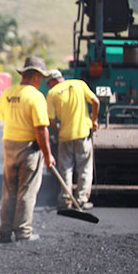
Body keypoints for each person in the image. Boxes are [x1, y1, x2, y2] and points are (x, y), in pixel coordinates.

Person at [0, 56, 56, 243]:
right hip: (29, 148)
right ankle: (23, 231)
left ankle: (5, 230)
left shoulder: (7, 93)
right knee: (27, 191)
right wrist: (48, 155)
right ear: (36, 76)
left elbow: (4, 118)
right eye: (41, 78)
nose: (41, 82)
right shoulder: (35, 96)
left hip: (9, 145)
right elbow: (41, 129)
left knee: (9, 191)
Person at [46, 69, 100, 210]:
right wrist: (94, 120)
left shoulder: (52, 93)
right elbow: (95, 101)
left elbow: (51, 120)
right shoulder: (79, 84)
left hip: (65, 136)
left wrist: (58, 132)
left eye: (48, 83)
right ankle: (81, 200)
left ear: (53, 81)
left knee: (66, 169)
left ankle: (65, 200)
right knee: (85, 168)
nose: (48, 86)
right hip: (83, 134)